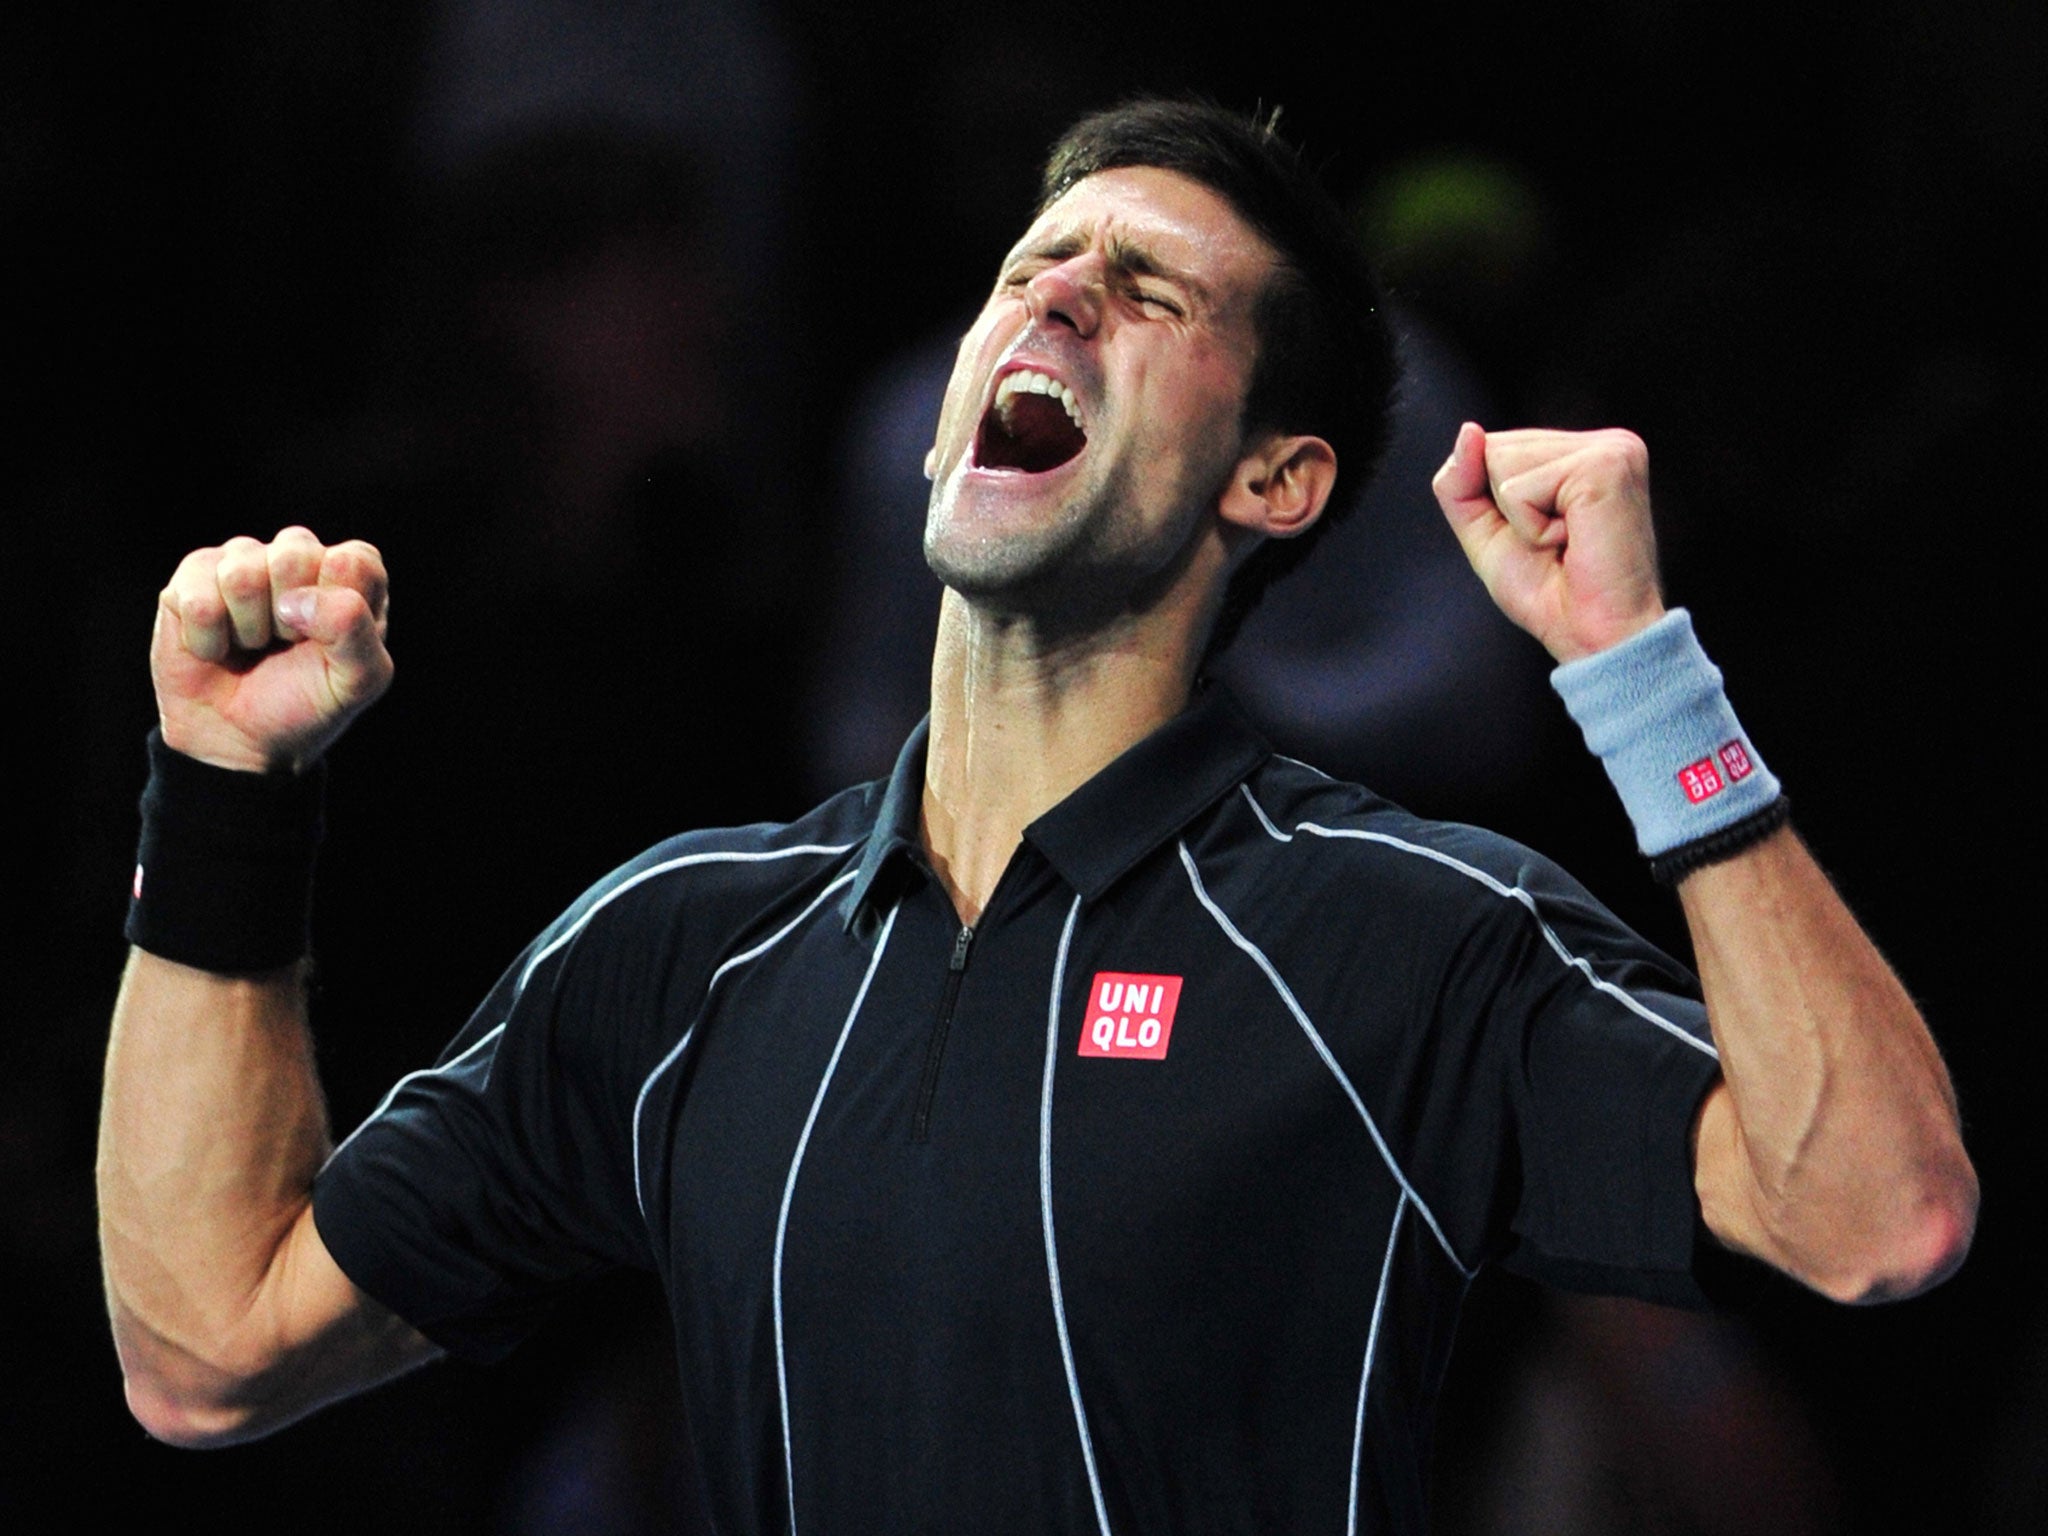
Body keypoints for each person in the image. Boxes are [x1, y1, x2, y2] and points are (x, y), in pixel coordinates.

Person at [99, 100, 1975, 1534]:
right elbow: (209, 1350)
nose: (1058, 293)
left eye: (1148, 293)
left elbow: (1877, 1217)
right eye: (1034, 266)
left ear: (1276, 480)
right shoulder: (680, 950)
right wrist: (225, 796)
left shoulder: (1407, 933)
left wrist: (1644, 680)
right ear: (941, 430)